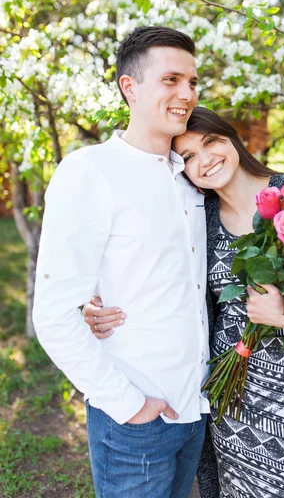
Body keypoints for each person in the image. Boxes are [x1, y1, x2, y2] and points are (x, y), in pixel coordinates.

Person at [85, 107, 284, 498]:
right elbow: (158, 279)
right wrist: (94, 304)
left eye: (210, 142)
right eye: (188, 156)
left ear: (231, 139)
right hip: (231, 395)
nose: (205, 160)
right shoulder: (199, 217)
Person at [33, 26, 212, 498]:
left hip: (195, 410)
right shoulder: (89, 171)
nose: (187, 94)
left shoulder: (191, 177)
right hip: (135, 420)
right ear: (129, 87)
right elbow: (52, 315)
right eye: (171, 80)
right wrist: (130, 405)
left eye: (193, 82)